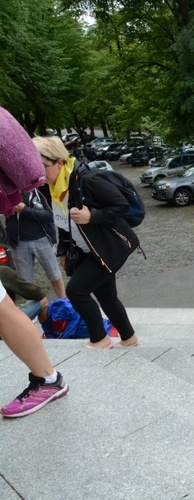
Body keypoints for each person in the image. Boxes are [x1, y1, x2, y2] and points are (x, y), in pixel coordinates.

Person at [33, 135, 140, 350]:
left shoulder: (87, 179)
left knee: (76, 291)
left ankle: (100, 339)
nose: (40, 172)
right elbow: (62, 222)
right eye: (36, 166)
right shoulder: (48, 188)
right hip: (88, 249)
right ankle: (129, 338)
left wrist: (93, 217)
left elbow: (121, 206)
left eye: (43, 166)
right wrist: (63, 250)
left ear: (60, 162)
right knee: (106, 296)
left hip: (111, 246)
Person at [0, 107, 68, 418]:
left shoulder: (36, 191)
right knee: (17, 294)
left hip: (39, 238)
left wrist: (20, 209)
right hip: (20, 241)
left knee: (53, 278)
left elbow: (51, 217)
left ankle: (63, 307)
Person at [6, 187, 66, 298]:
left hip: (42, 239)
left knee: (54, 275)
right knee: (27, 281)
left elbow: (51, 215)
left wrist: (25, 210)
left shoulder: (40, 190)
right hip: (19, 243)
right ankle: (40, 307)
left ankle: (64, 303)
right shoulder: (8, 191)